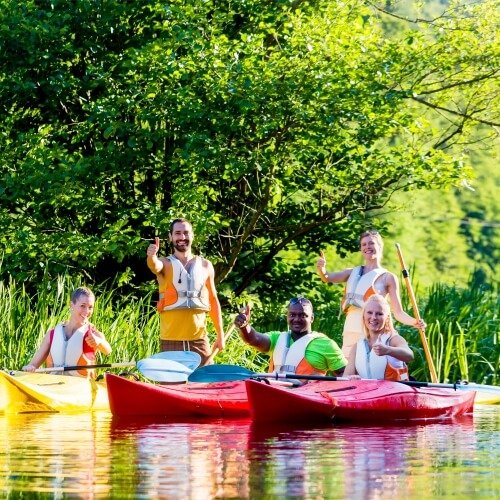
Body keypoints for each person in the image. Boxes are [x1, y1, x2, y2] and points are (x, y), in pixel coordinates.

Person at [316, 229, 425, 357]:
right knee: (348, 369)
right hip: (350, 327)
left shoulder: (388, 277)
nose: (367, 247)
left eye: (371, 243)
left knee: (366, 367)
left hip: (370, 329)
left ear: (379, 246)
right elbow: (327, 277)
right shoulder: (352, 272)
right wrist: (322, 270)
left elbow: (398, 312)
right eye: (364, 244)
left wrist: (415, 322)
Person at [146, 217, 224, 366]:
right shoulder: (165, 263)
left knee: (204, 386)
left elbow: (214, 301)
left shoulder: (206, 266)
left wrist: (220, 335)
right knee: (171, 388)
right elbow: (154, 266)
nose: (182, 237)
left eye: (186, 233)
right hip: (170, 341)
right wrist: (151, 256)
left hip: (199, 342)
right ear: (170, 237)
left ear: (192, 235)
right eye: (178, 233)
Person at [233, 297, 346, 377]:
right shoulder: (277, 338)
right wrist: (244, 326)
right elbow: (254, 339)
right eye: (292, 315)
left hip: (306, 397)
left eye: (303, 315)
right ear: (287, 317)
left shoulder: (326, 344)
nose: (296, 319)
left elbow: (344, 373)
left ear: (311, 318)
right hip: (274, 390)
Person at [22, 287, 112, 378]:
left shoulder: (94, 334)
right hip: (52, 386)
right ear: (71, 305)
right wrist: (30, 367)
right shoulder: (52, 334)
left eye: (90, 307)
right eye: (82, 306)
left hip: (81, 388)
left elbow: (108, 350)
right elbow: (33, 365)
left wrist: (99, 342)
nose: (86, 311)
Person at [343, 295, 413, 380]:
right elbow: (346, 376)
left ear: (386, 318)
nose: (373, 317)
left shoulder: (393, 339)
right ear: (363, 315)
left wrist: (388, 350)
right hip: (367, 391)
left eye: (379, 314)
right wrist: (351, 378)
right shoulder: (357, 346)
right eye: (369, 313)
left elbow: (410, 355)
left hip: (394, 391)